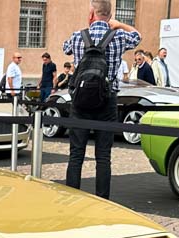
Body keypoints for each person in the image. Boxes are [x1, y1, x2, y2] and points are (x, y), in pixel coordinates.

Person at [62, 0, 140, 200]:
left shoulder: (79, 36)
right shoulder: (119, 36)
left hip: (79, 101)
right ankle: (102, 201)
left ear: (91, 13)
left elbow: (65, 49)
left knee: (76, 154)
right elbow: (138, 36)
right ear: (109, 15)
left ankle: (72, 198)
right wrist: (119, 24)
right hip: (107, 100)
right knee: (103, 156)